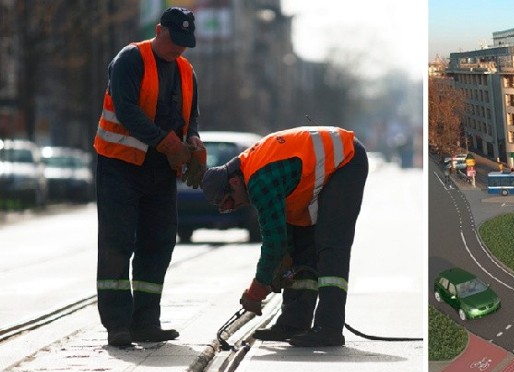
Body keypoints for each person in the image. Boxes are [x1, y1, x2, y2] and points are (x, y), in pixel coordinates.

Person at [93, 7, 206, 347]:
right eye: (174, 41)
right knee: (117, 244)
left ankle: (146, 321)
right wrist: (165, 141)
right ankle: (117, 324)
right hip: (120, 166)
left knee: (158, 243)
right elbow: (126, 109)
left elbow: (192, 117)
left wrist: (194, 141)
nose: (179, 50)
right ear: (159, 30)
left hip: (160, 171)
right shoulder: (130, 59)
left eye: (185, 44)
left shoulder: (186, 70)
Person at [200, 127, 368, 347]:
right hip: (313, 177)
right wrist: (282, 262)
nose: (232, 208)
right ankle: (294, 322)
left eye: (228, 203)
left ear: (233, 183)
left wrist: (257, 289)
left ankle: (329, 328)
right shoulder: (248, 170)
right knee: (300, 248)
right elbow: (283, 240)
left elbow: (273, 244)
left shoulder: (259, 181)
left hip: (346, 161)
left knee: (330, 246)